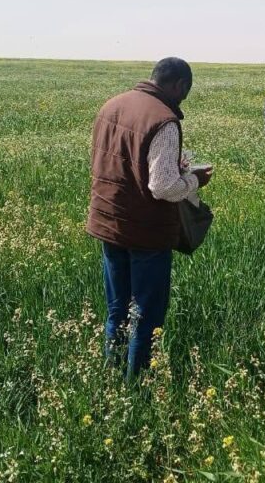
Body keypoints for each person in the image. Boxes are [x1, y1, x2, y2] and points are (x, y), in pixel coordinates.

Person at [86, 57, 214, 378]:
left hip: (108, 223)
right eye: (186, 91)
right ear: (179, 85)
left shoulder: (111, 106)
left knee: (118, 310)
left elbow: (119, 163)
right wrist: (196, 180)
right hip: (145, 233)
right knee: (145, 316)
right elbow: (163, 187)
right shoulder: (164, 121)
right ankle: (137, 387)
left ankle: (111, 374)